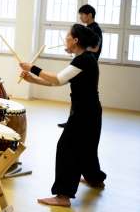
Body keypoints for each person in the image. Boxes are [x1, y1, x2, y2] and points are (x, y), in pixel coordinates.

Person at [19, 24, 106, 207]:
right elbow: (57, 82)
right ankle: (95, 178)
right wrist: (33, 79)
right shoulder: (85, 58)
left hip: (84, 112)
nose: (65, 38)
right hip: (91, 110)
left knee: (67, 148)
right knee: (87, 147)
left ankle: (63, 196)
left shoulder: (83, 60)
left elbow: (57, 78)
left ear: (75, 40)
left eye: (68, 35)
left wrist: (33, 68)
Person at [58, 4, 103, 128]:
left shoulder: (95, 29)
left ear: (90, 15)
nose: (81, 17)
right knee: (77, 93)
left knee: (83, 95)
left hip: (88, 65)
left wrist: (78, 47)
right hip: (85, 63)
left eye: (82, 15)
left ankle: (75, 121)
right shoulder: (88, 28)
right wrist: (73, 48)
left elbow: (95, 47)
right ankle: (72, 120)